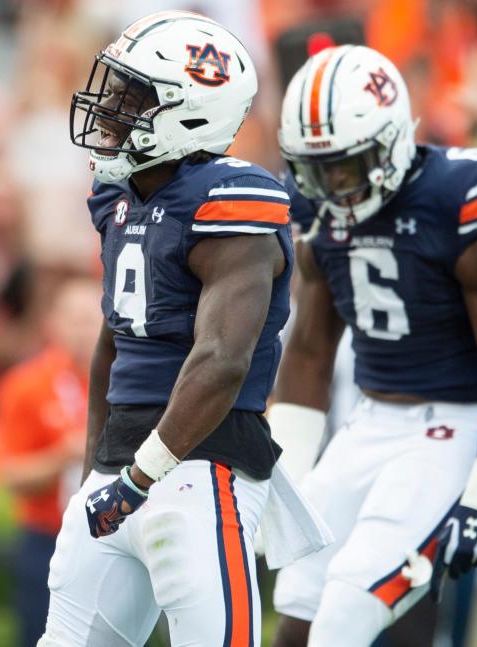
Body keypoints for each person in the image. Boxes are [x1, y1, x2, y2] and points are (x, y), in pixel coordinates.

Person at [268, 45, 477, 647]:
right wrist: (282, 475)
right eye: (316, 168)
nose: (330, 184)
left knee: (347, 613)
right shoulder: (317, 205)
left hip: (450, 428)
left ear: (390, 140)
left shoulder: (460, 196)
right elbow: (311, 349)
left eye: (346, 164)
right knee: (298, 614)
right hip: (367, 424)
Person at [39, 10, 295, 646]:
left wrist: (135, 476)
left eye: (132, 96)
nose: (110, 108)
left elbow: (221, 359)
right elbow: (113, 342)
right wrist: (97, 469)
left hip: (198, 468)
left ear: (187, 114)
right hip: (126, 469)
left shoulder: (231, 200)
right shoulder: (118, 194)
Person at [0, 278, 100, 647]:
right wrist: (63, 456)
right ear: (53, 323)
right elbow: (11, 473)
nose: (84, 330)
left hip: (115, 534)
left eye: (91, 318)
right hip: (49, 537)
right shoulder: (26, 385)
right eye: (74, 319)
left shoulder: (127, 380)